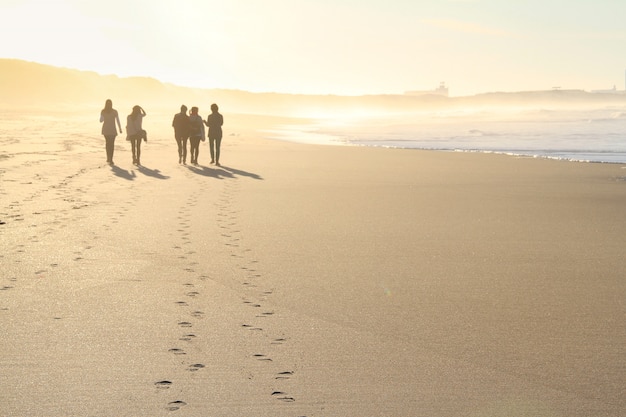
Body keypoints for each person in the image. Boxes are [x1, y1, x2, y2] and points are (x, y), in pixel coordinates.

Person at [99, 99, 122, 165]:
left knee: (107, 144)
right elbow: (118, 120)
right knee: (112, 144)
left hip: (106, 129)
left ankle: (108, 158)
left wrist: (104, 116)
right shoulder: (115, 111)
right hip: (112, 130)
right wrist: (120, 128)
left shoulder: (103, 111)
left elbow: (101, 121)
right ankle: (111, 159)